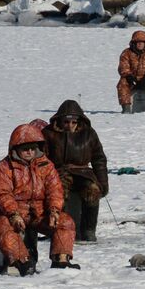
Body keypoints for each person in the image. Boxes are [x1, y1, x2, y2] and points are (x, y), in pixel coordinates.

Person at [0, 123, 78, 274]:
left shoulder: (46, 166)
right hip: (14, 213)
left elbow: (55, 189)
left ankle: (61, 260)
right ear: (15, 149)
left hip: (40, 213)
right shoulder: (5, 167)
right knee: (4, 227)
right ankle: (21, 261)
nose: (29, 152)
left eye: (32, 148)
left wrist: (54, 210)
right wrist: (13, 213)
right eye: (25, 149)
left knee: (65, 222)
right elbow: (1, 192)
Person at [43, 100, 109, 242]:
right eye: (66, 122)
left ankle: (88, 230)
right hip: (58, 172)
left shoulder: (89, 134)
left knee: (92, 189)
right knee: (59, 192)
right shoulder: (48, 134)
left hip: (83, 171)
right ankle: (62, 229)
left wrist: (103, 182)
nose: (70, 126)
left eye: (73, 122)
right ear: (59, 120)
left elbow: (99, 158)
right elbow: (42, 160)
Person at [117, 30, 145, 114]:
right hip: (131, 80)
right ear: (134, 43)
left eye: (142, 42)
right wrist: (129, 77)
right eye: (137, 42)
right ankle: (126, 108)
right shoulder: (126, 53)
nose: (140, 44)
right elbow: (123, 67)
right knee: (122, 83)